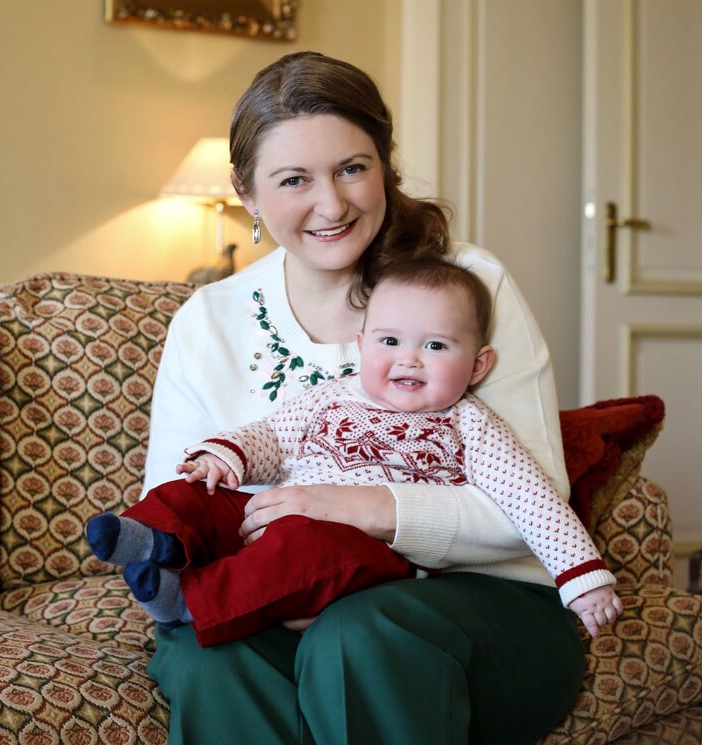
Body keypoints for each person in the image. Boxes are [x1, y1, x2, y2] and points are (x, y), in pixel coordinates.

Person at [136, 51, 594, 745]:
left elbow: (531, 501)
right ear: (248, 193)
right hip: (276, 595)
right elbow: (178, 499)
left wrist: (359, 507)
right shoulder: (208, 319)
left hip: (483, 600)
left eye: (352, 167)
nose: (332, 203)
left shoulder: (466, 282)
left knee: (358, 635)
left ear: (385, 165)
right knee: (206, 654)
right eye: (293, 179)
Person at [87, 258, 621, 647]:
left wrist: (584, 581)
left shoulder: (470, 425)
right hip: (273, 512)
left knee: (303, 549)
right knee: (198, 493)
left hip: (372, 553)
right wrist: (225, 457)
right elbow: (271, 437)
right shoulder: (332, 395)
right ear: (362, 344)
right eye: (390, 341)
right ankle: (150, 537)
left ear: (478, 366)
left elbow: (534, 502)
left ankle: (190, 603)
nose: (409, 360)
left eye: (435, 346)